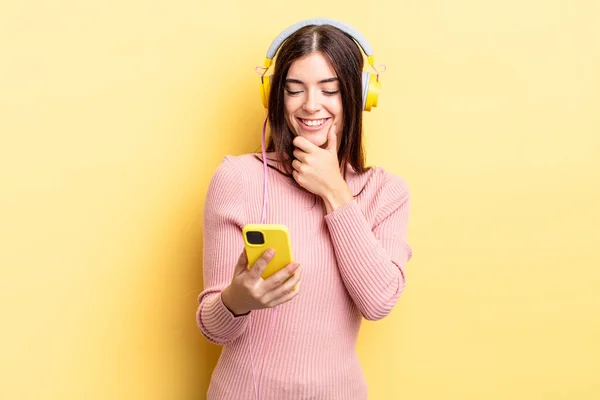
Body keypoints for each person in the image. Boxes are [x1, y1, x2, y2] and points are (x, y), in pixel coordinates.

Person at [196, 18, 413, 400]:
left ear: (360, 95)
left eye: (329, 90)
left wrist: (334, 191)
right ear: (275, 96)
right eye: (295, 90)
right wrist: (237, 300)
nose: (311, 105)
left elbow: (378, 302)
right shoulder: (239, 178)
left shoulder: (386, 192)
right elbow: (214, 328)